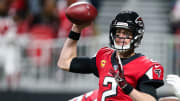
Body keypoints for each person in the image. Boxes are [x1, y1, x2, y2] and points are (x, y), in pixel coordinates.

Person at [58, 10, 164, 101]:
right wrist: (76, 29)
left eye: (126, 33)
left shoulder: (146, 66)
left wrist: (127, 87)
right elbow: (64, 63)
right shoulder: (104, 56)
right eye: (118, 33)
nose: (121, 37)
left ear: (136, 35)